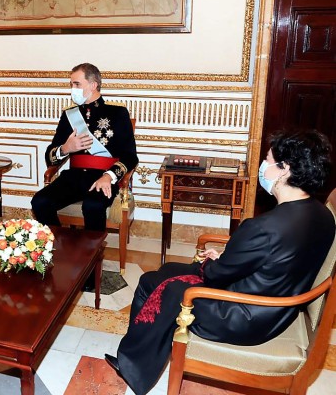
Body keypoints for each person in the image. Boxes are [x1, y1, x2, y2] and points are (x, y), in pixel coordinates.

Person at [105, 130, 335, 395]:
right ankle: (141, 356)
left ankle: (134, 365)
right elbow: (272, 260)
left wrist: (218, 262)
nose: (263, 166)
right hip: (277, 308)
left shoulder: (265, 226)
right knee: (167, 271)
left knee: (157, 285)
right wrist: (227, 259)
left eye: (268, 160)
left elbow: (216, 276)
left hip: (243, 316)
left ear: (285, 169)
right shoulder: (320, 214)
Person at [31, 63, 138, 289]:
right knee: (40, 201)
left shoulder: (117, 113)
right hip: (74, 176)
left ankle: (91, 267)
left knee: (92, 206)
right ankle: (61, 253)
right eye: (72, 84)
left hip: (103, 177)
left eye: (76, 84)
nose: (73, 88)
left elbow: (130, 156)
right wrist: (65, 149)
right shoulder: (69, 116)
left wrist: (110, 176)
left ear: (93, 85)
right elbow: (51, 157)